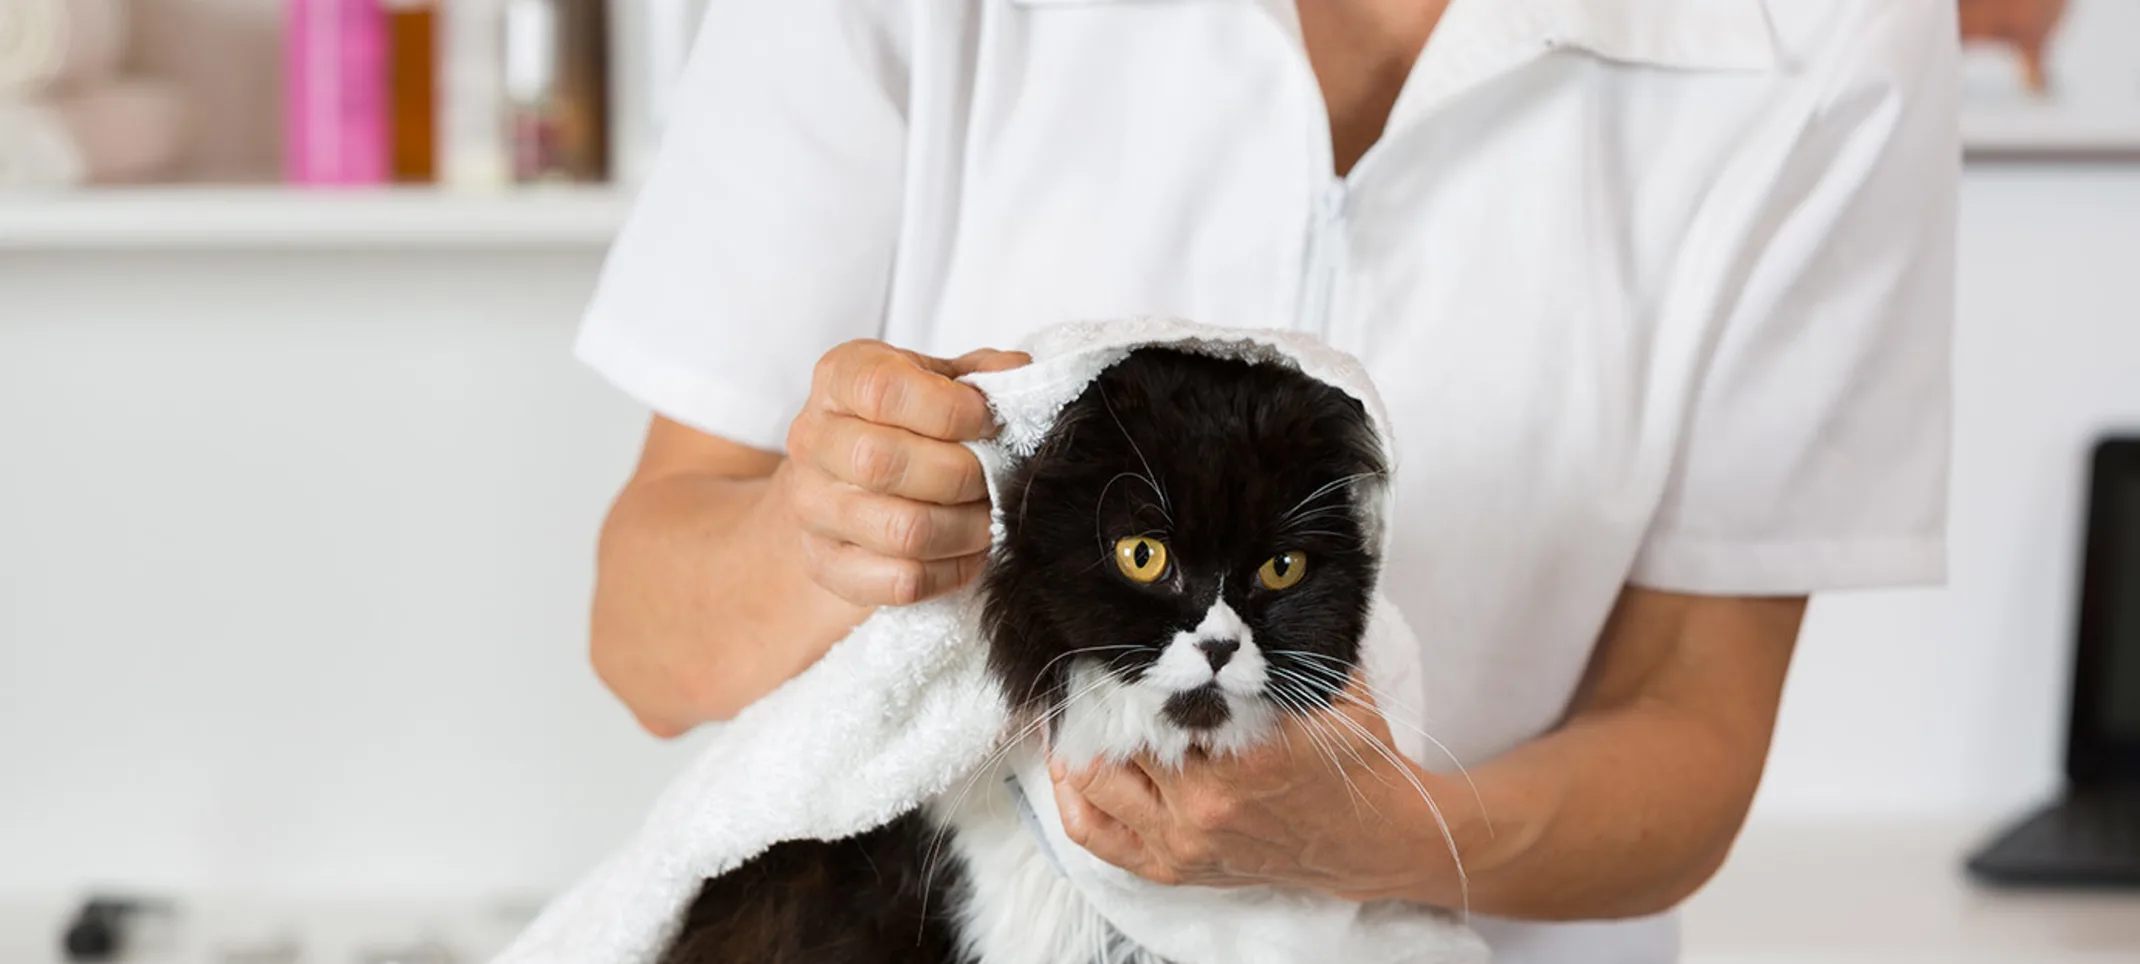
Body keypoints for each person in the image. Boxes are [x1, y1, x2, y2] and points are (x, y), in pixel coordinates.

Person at [575, 0, 1957, 961]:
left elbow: (1691, 725)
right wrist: (824, 537)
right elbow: (643, 636)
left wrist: (1379, 838)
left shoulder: (1827, 29)